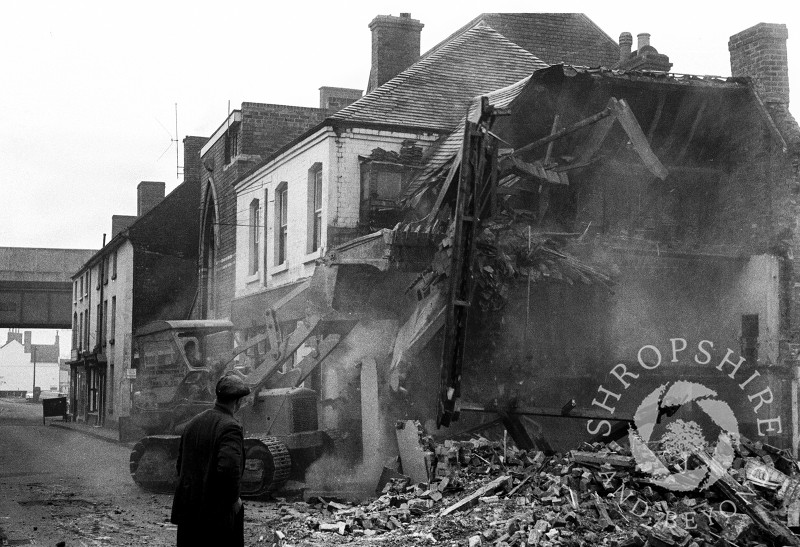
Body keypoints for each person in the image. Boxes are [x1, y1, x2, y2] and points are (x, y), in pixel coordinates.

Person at [170, 374, 251, 546]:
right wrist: (233, 499)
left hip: (189, 515)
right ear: (237, 402)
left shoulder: (193, 423)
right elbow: (229, 470)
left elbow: (180, 465)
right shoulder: (230, 427)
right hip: (215, 517)